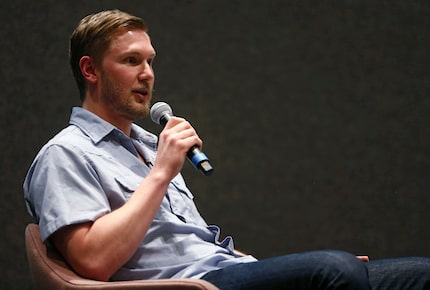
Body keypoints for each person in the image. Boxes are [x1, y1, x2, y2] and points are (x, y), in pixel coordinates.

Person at [23, 9, 430, 290]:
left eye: (150, 61)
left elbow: (193, 240)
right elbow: (92, 261)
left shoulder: (148, 145)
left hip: (225, 271)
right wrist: (162, 172)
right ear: (91, 70)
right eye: (131, 61)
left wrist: (284, 269)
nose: (147, 74)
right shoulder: (66, 153)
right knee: (335, 269)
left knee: (417, 274)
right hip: (187, 286)